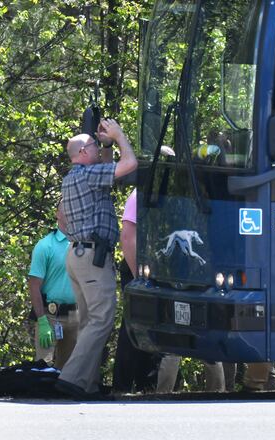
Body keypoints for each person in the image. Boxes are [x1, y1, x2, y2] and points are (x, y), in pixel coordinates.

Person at [54, 119, 137, 400]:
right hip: (92, 257)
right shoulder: (88, 176)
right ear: (82, 153)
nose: (97, 149)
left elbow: (62, 218)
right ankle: (71, 379)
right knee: (102, 318)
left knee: (89, 320)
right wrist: (119, 136)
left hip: (77, 254)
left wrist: (106, 144)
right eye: (93, 146)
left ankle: (87, 384)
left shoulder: (73, 178)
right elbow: (129, 165)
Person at [113, 185, 183, 394]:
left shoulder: (173, 195)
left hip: (160, 270)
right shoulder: (140, 193)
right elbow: (127, 236)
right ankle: (121, 387)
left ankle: (147, 386)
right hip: (139, 268)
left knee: (154, 327)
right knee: (132, 327)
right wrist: (139, 277)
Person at [28, 202, 78, 370]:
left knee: (69, 371)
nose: (70, 211)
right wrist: (41, 320)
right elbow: (34, 285)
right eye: (66, 208)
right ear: (57, 214)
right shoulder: (45, 246)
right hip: (50, 317)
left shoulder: (82, 244)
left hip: (75, 316)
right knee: (44, 368)